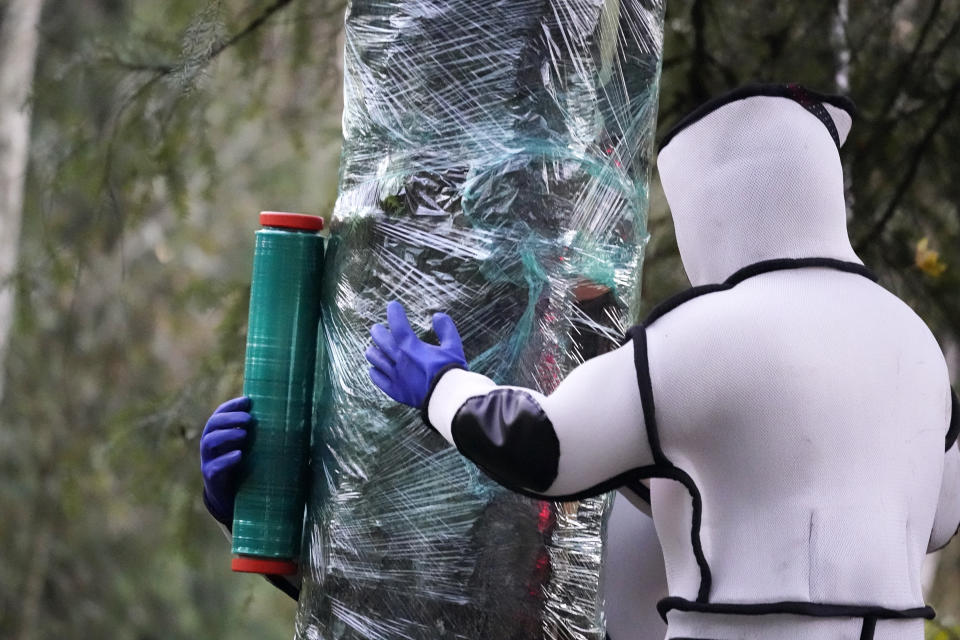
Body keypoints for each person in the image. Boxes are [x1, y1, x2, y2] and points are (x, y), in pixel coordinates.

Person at [364, 83, 960, 640]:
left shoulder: (704, 335)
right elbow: (939, 521)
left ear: (711, 205)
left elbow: (543, 448)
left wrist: (440, 385)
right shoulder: (917, 343)